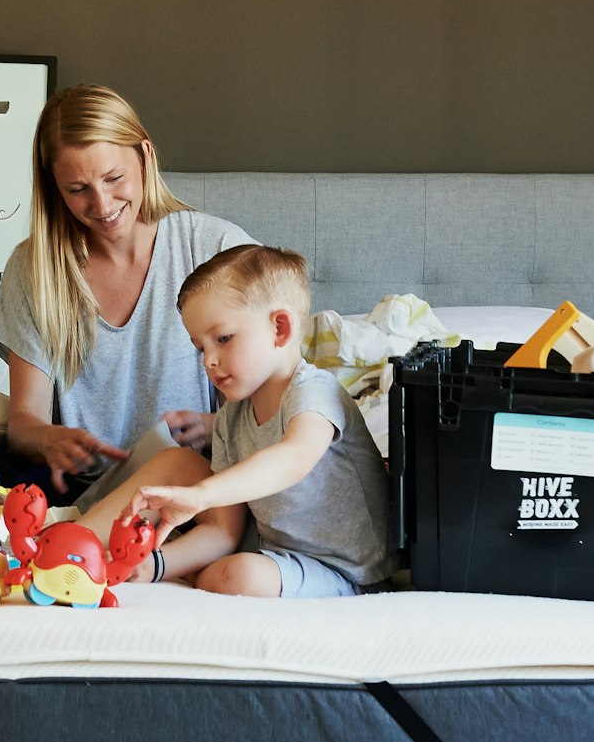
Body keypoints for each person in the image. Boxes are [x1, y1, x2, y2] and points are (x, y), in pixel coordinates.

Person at [0, 84, 257, 580]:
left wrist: (218, 425)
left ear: (145, 156)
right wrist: (50, 438)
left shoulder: (215, 248)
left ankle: (67, 559)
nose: (102, 203)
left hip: (192, 490)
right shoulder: (34, 268)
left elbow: (274, 400)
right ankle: (65, 553)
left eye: (115, 178)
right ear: (53, 187)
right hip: (82, 488)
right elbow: (24, 422)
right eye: (77, 190)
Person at [119, 244, 396, 598]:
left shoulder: (314, 392)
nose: (208, 361)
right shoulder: (231, 419)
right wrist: (155, 565)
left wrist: (201, 494)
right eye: (200, 347)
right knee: (226, 563)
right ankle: (92, 546)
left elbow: (293, 459)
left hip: (349, 572)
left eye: (223, 339)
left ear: (280, 328)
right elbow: (224, 530)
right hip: (279, 556)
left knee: (240, 575)